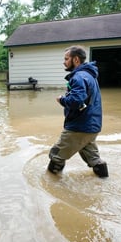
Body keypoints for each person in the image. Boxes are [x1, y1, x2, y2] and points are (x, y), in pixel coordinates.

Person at [47, 45, 108, 178]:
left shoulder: (78, 77)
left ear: (76, 60)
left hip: (78, 128)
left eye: (66, 58)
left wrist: (62, 100)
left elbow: (76, 100)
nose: (64, 61)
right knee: (94, 160)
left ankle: (48, 187)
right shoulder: (90, 76)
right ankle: (104, 184)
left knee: (56, 155)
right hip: (92, 127)